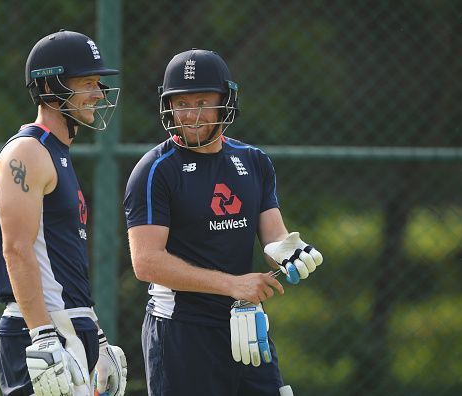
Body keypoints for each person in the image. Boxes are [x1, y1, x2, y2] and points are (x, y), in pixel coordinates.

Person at [124, 49, 324, 396]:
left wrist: (290, 251)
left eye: (202, 101)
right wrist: (234, 285)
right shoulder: (155, 169)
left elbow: (273, 238)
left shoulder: (254, 161)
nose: (191, 114)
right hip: (181, 331)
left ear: (225, 103)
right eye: (181, 103)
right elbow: (146, 262)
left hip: (246, 323)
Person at [0, 30, 127, 396]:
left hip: (66, 327)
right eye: (87, 83)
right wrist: (43, 336)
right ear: (50, 88)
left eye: (98, 83)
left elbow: (60, 265)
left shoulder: (56, 153)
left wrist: (93, 332)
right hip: (41, 331)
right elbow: (16, 249)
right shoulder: (28, 153)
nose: (98, 93)